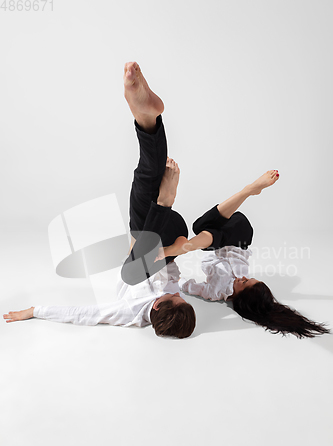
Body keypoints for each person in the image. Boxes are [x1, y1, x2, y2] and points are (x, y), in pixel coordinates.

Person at [3, 62, 196, 339]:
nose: (174, 294)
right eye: (181, 298)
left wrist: (35, 311)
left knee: (148, 177)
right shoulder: (176, 302)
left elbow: (83, 315)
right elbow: (188, 284)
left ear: (155, 306)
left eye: (172, 298)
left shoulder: (129, 313)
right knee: (140, 254)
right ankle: (149, 132)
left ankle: (147, 121)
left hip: (147, 235)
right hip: (174, 236)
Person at [156, 171, 331, 339]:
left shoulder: (215, 292)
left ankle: (247, 191)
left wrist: (169, 282)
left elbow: (189, 286)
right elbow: (239, 254)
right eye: (250, 278)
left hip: (212, 242)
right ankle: (186, 245)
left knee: (201, 226)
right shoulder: (241, 275)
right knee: (213, 233)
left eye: (245, 283)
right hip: (240, 235)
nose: (244, 277)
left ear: (241, 297)